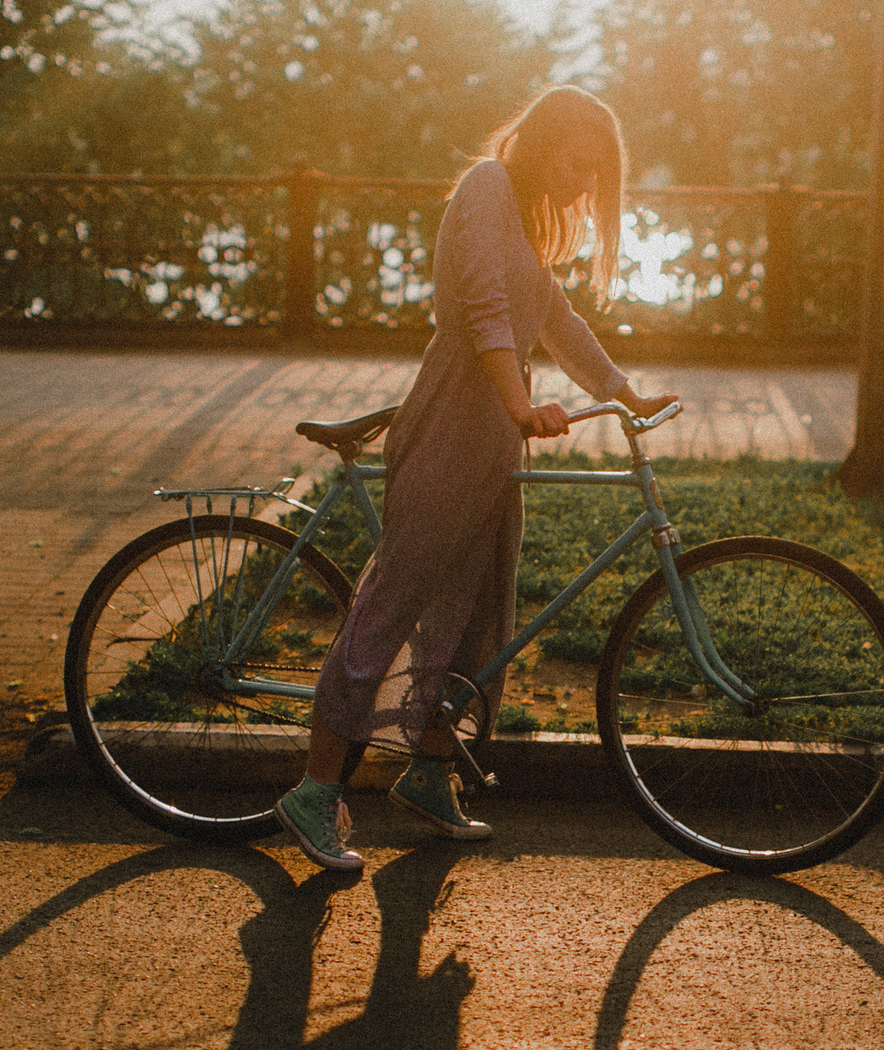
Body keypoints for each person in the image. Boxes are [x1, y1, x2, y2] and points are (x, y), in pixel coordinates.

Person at [274, 85, 669, 871]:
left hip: (494, 431)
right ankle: (315, 792)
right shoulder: (488, 185)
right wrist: (521, 402)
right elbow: (486, 307)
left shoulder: (521, 214)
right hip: (457, 416)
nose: (587, 186)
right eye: (579, 165)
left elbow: (553, 318)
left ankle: (427, 772)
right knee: (394, 604)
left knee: (472, 613)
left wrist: (625, 393)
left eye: (597, 175)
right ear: (542, 142)